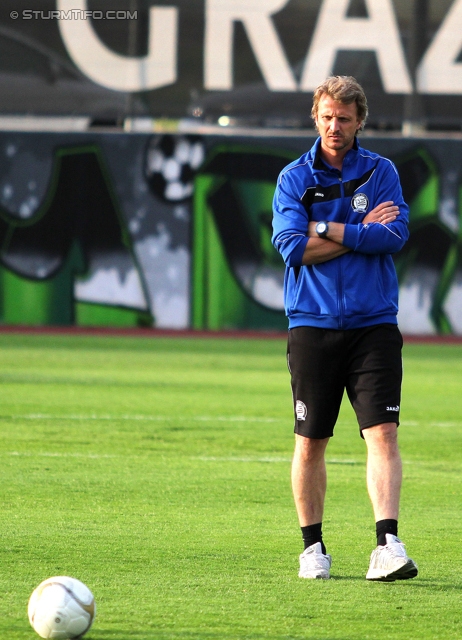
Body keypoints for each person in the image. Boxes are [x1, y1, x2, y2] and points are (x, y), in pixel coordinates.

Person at [272, 75, 418, 582]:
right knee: (310, 440)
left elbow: (394, 235)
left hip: (374, 323)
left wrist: (322, 227)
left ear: (361, 121)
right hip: (311, 325)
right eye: (328, 117)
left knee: (383, 433)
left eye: (345, 119)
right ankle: (313, 550)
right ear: (316, 116)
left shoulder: (381, 171)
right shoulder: (293, 177)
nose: (335, 127)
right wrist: (358, 233)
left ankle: (388, 544)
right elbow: (292, 248)